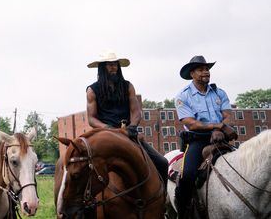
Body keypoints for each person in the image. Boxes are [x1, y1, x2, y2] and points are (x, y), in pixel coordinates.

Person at [85, 51, 168, 186]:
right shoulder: (92, 90)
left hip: (129, 134)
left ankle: (162, 200)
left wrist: (132, 126)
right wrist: (110, 129)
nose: (114, 67)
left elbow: (136, 112)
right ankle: (86, 204)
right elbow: (92, 119)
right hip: (106, 135)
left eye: (115, 64)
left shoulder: (128, 86)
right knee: (86, 168)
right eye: (109, 65)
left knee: (162, 163)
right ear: (102, 67)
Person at [174, 55, 237, 218]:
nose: (206, 72)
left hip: (221, 138)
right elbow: (191, 123)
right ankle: (183, 212)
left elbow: (228, 115)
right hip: (197, 141)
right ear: (192, 73)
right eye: (201, 69)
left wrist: (221, 130)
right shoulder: (183, 96)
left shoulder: (219, 92)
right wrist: (218, 126)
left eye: (207, 69)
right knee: (187, 175)